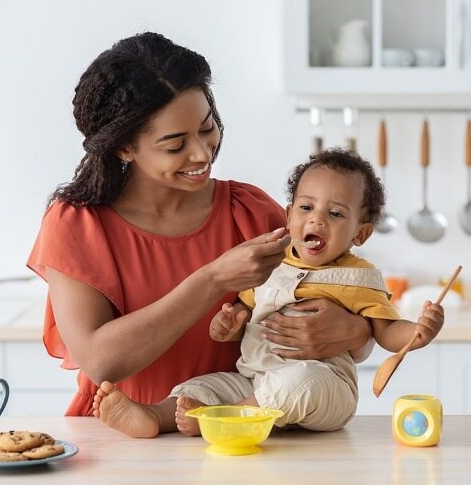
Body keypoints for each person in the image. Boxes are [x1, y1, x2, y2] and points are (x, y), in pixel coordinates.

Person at [27, 32, 374, 419]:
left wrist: (356, 332)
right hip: (119, 443)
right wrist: (214, 279)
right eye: (175, 145)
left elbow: (342, 314)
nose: (202, 153)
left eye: (207, 128)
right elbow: (100, 361)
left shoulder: (250, 211)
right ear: (124, 148)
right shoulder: (78, 224)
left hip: (237, 439)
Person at [92, 148, 445, 438]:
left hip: (324, 386)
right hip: (252, 379)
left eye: (335, 214)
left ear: (361, 233)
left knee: (301, 382)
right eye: (306, 208)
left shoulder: (358, 277)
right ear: (289, 216)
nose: (317, 220)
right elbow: (242, 312)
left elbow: (384, 332)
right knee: (201, 387)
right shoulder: (270, 261)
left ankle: (228, 420)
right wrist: (226, 324)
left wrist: (418, 331)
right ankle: (156, 417)